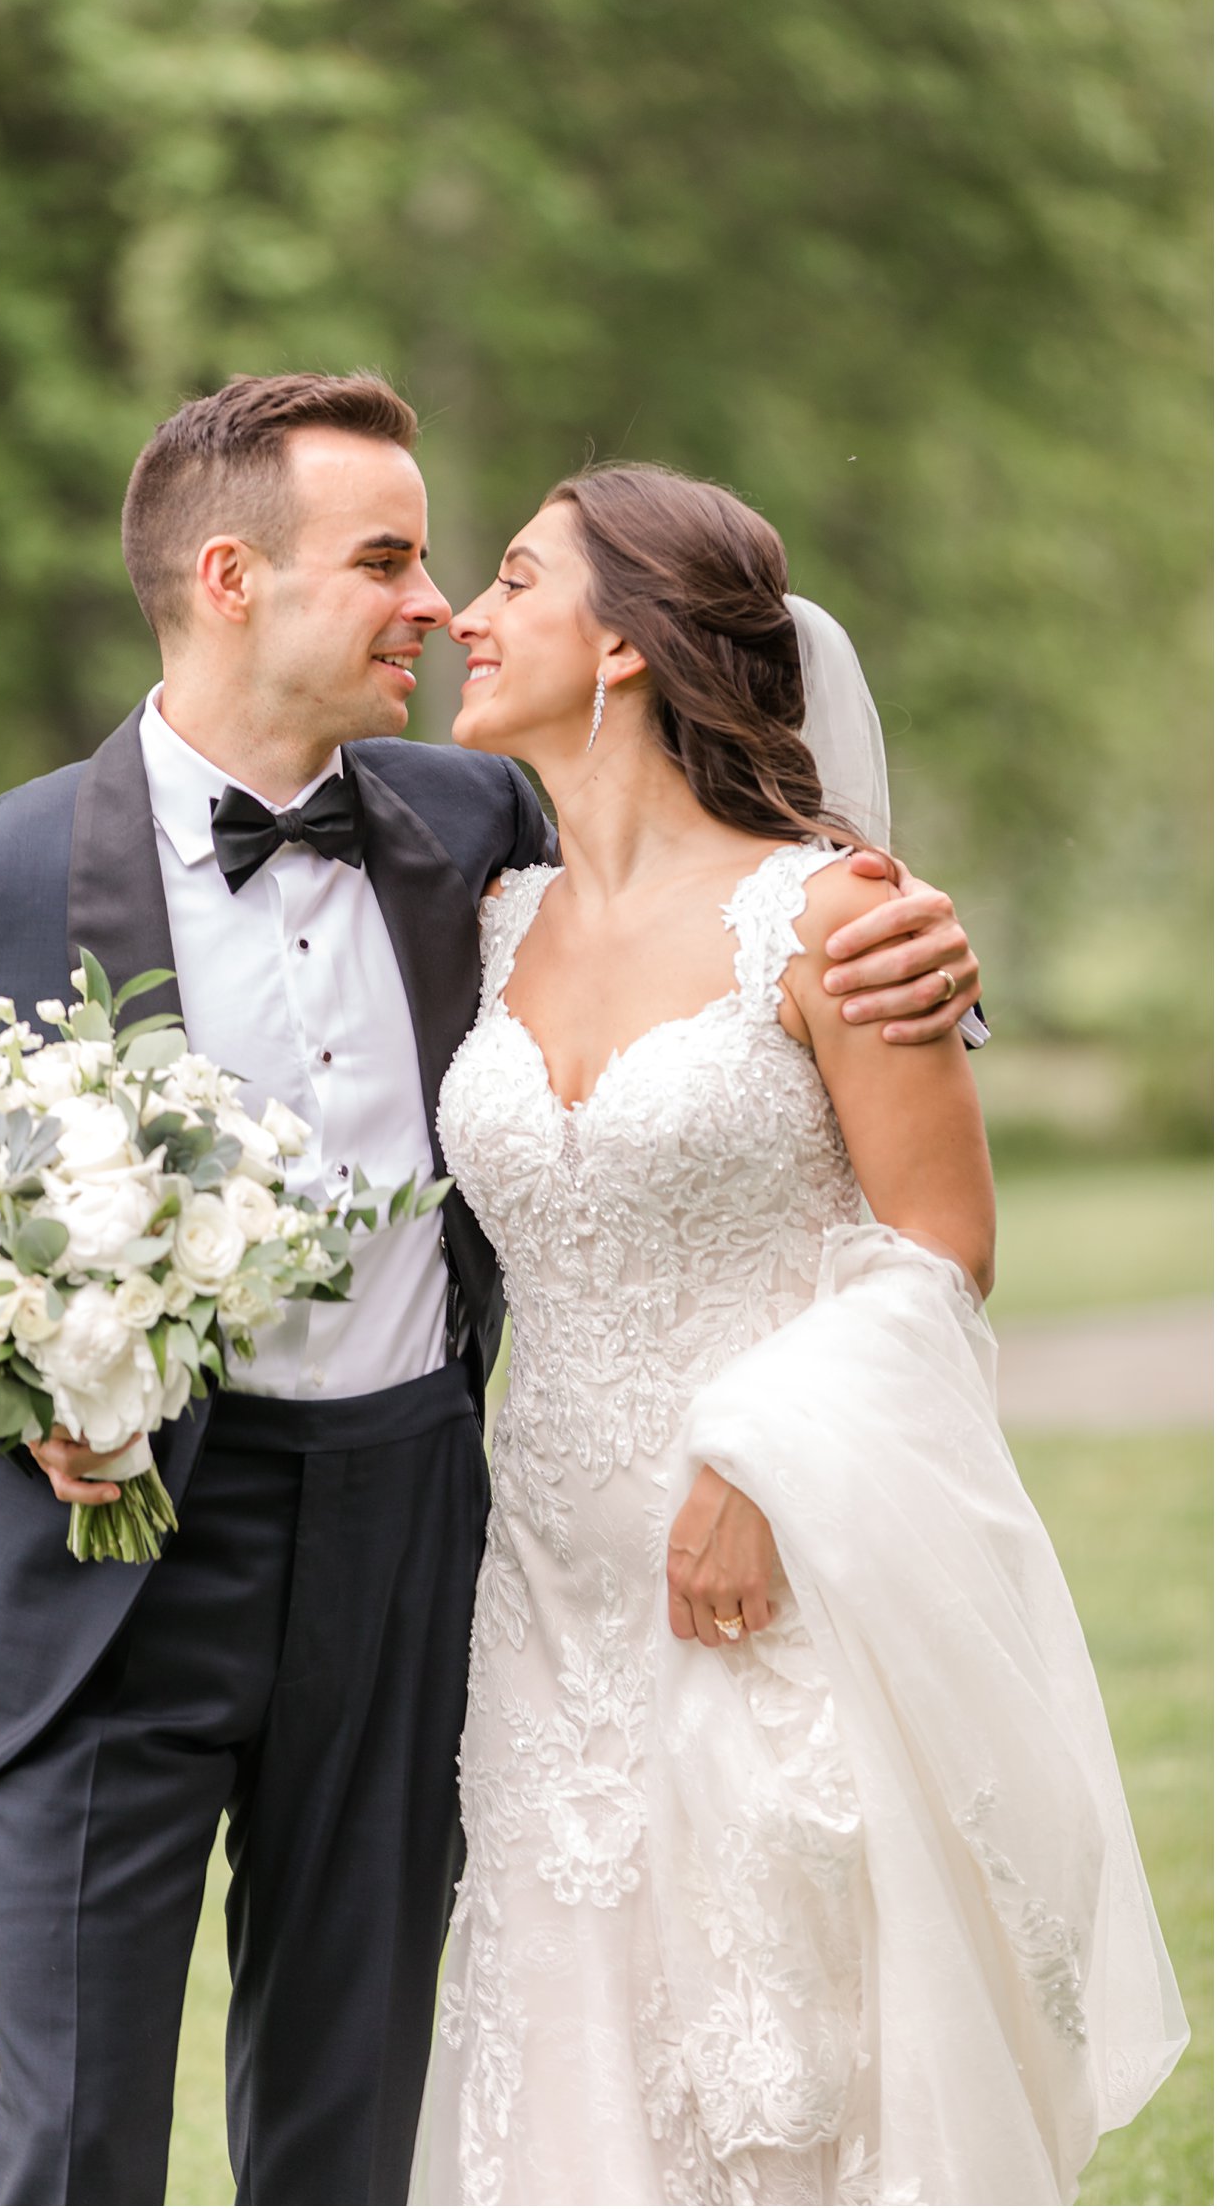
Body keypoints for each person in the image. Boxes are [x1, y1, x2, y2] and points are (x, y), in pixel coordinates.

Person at [0, 377, 981, 2208]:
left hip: (412, 1544)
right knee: (74, 2137)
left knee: (357, 2111)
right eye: (385, 557)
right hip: (111, 1574)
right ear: (233, 577)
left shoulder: (481, 822)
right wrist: (35, 1400)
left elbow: (727, 930)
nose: (436, 601)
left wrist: (928, 945)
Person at [412, 464, 1186, 2205]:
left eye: (517, 578)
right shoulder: (491, 918)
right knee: (562, 2025)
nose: (470, 610)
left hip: (767, 1580)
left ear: (622, 644)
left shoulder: (837, 918)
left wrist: (760, 1461)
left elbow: (940, 1244)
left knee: (785, 2049)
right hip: (540, 1591)